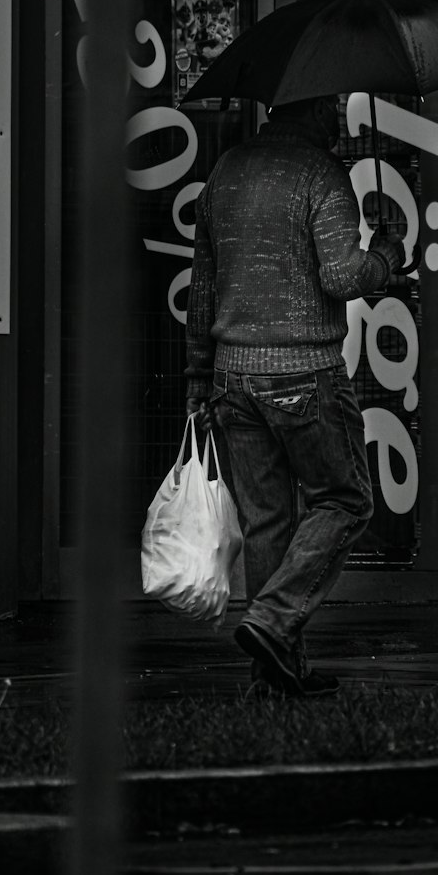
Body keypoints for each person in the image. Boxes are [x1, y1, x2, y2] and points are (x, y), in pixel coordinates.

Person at [185, 94, 405, 698]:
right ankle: (272, 619)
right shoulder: (319, 173)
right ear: (306, 109)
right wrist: (385, 257)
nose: (339, 115)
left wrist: (198, 379)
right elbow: (342, 276)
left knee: (268, 521)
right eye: (331, 104)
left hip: (232, 377)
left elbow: (202, 291)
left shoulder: (225, 170)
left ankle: (276, 673)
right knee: (346, 500)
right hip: (304, 373)